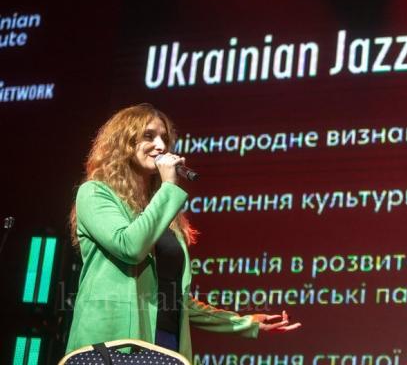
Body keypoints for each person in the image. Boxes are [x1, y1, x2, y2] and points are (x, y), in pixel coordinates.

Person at [66, 103, 299, 359]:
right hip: (114, 342)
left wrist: (246, 323)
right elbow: (129, 246)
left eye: (165, 139)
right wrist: (168, 186)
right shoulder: (95, 193)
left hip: (165, 342)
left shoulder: (162, 212)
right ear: (124, 142)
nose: (161, 146)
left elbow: (178, 301)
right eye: (149, 136)